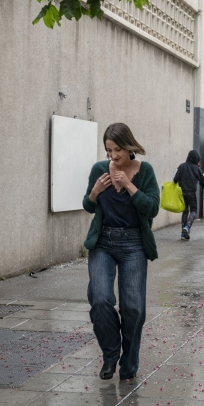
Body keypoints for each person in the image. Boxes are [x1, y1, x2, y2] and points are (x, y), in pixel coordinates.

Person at [82, 123, 159, 381]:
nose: (113, 156)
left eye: (117, 150)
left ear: (129, 147)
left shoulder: (144, 171)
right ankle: (110, 355)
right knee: (101, 299)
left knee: (133, 307)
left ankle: (129, 362)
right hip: (103, 242)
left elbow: (152, 209)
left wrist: (129, 185)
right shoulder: (98, 170)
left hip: (134, 244)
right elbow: (88, 205)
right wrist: (95, 192)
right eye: (108, 150)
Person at [173, 150, 204, 240]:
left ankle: (183, 234)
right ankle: (187, 227)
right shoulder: (197, 169)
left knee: (185, 211)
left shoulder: (181, 166)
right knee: (193, 211)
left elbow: (175, 179)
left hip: (182, 192)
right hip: (191, 193)